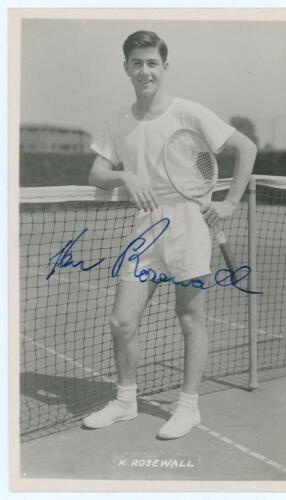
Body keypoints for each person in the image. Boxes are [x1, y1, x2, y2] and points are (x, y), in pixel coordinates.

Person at [83, 30, 257, 439]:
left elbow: (246, 147)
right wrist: (125, 174)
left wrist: (230, 202)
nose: (145, 71)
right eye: (137, 63)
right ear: (126, 68)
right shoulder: (116, 121)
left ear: (164, 67)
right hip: (145, 228)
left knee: (190, 319)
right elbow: (96, 174)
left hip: (190, 226)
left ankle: (188, 407)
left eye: (152, 63)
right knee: (122, 322)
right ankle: (125, 402)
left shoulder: (189, 112)